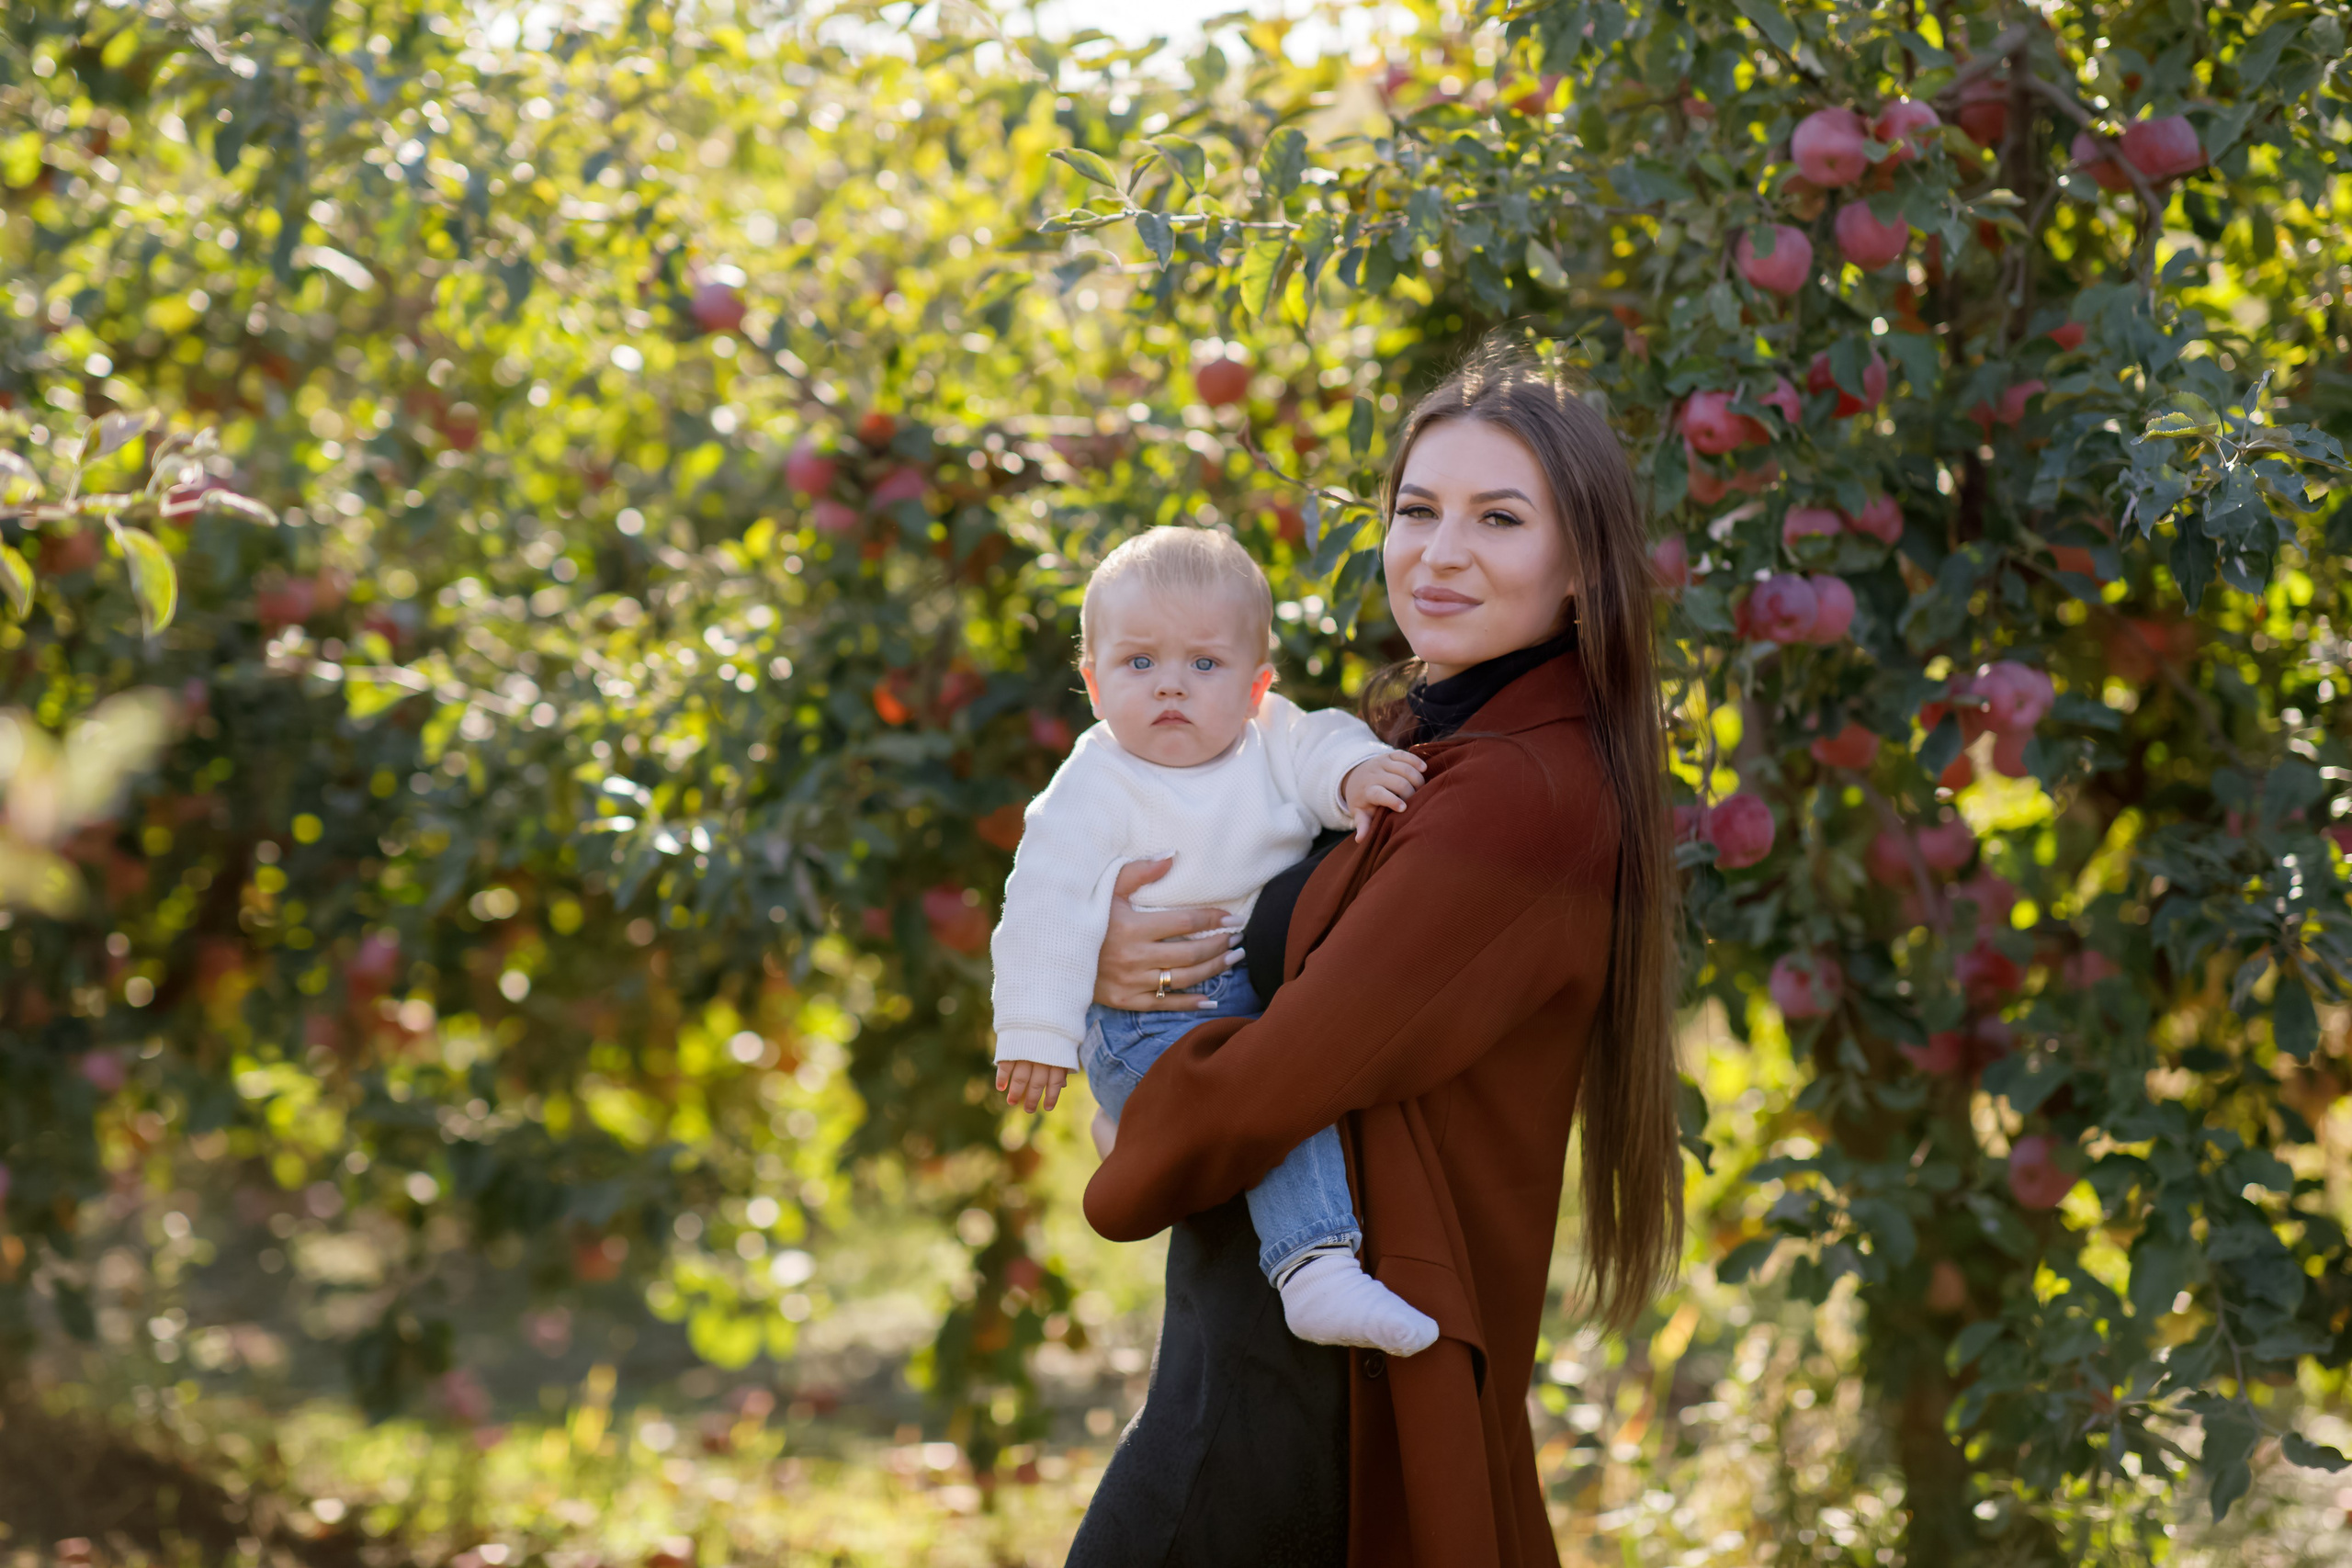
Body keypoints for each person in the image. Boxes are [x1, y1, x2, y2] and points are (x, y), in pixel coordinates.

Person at [1066, 340, 1682, 1568]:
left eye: (1500, 518)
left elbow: (1296, 1063)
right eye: (1418, 508)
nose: (1441, 551)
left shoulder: (1519, 792)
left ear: (1580, 569)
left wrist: (1136, 1142)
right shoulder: (1430, 744)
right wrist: (1106, 951)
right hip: (1284, 1328)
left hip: (1318, 1376)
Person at [990, 525, 1441, 1355]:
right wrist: (1034, 1032)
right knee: (1267, 1095)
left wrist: (1352, 777)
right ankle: (1315, 1269)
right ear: (1091, 684)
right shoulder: (1093, 783)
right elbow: (1041, 905)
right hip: (1146, 1025)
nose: (1171, 686)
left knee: (1273, 1072)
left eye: (1204, 664)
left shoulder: (1269, 736)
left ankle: (1142, 1139)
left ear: (1255, 684)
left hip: (1245, 1006)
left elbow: (1324, 744)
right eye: (1139, 663)